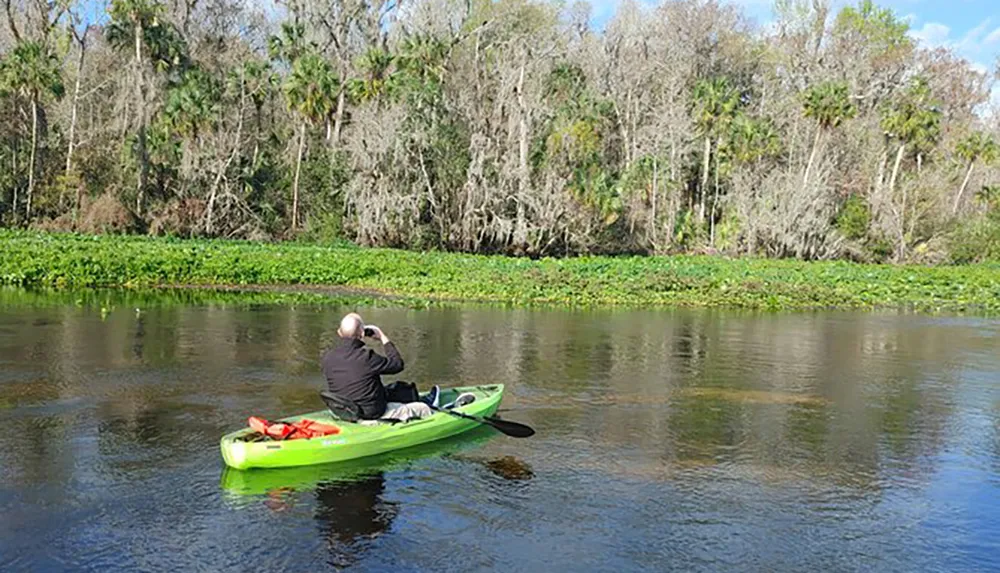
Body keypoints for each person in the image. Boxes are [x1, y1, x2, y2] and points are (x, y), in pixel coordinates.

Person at [321, 313, 437, 422]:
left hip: (344, 410)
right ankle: (426, 404)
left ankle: (415, 397)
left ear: (339, 333)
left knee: (397, 389)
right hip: (370, 413)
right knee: (421, 408)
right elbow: (397, 365)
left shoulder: (328, 357)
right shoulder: (367, 357)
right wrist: (382, 337)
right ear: (362, 334)